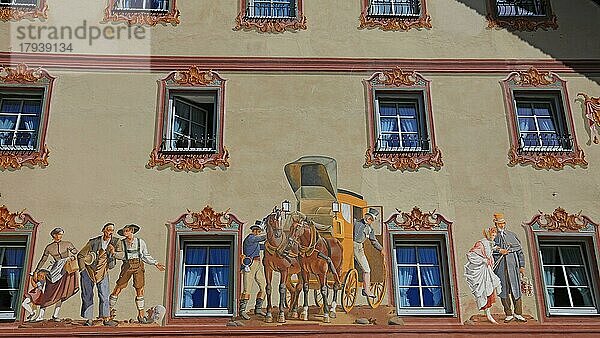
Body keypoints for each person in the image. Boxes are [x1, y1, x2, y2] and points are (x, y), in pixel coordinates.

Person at [109, 224, 165, 324]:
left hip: (138, 265)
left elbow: (145, 255)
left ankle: (141, 315)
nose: (125, 233)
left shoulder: (140, 242)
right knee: (118, 288)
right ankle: (108, 313)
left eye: (126, 231)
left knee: (140, 290)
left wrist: (156, 263)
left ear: (132, 231)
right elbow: (120, 256)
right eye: (124, 231)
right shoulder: (121, 243)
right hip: (127, 265)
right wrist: (114, 253)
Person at [33, 227, 79, 321]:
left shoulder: (67, 244)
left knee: (62, 293)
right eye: (58, 234)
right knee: (48, 292)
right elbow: (43, 259)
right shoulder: (49, 247)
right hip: (55, 270)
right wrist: (36, 270)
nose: (60, 236)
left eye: (61, 234)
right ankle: (40, 315)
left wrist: (73, 255)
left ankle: (55, 315)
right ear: (54, 235)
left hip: (66, 269)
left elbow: (75, 252)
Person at [77, 223, 119, 327]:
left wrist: (113, 252)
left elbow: (119, 257)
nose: (110, 232)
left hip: (103, 271)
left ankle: (105, 318)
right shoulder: (93, 242)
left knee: (104, 296)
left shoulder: (115, 242)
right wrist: (83, 270)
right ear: (103, 230)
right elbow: (81, 255)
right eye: (108, 230)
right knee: (87, 295)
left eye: (112, 230)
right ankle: (89, 319)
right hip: (89, 271)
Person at [492, 213, 527, 323]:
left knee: (516, 290)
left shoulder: (512, 235)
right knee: (503, 291)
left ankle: (518, 313)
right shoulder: (493, 235)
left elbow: (520, 252)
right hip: (500, 269)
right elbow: (488, 248)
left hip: (513, 268)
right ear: (495, 224)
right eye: (499, 223)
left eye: (503, 223)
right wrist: (499, 250)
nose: (501, 225)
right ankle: (508, 313)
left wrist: (521, 266)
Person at [465, 227, 502, 324]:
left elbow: (490, 249)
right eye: (493, 235)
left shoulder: (489, 243)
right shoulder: (481, 243)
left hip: (487, 269)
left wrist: (498, 249)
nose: (494, 237)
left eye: (495, 235)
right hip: (480, 270)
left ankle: (489, 314)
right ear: (488, 234)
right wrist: (483, 260)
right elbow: (471, 255)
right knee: (484, 291)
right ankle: (488, 314)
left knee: (493, 284)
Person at [353, 208, 383, 298]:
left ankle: (366, 290)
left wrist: (381, 249)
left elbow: (374, 241)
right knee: (366, 269)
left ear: (372, 221)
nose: (368, 219)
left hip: (359, 248)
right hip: (352, 245)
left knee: (367, 270)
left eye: (371, 219)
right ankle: (366, 290)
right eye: (368, 217)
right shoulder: (356, 222)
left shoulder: (370, 230)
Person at [239, 220, 267, 320]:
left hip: (258, 264)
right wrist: (271, 234)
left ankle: (258, 308)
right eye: (258, 231)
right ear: (254, 231)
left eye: (260, 231)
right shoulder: (250, 238)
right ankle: (242, 310)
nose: (259, 233)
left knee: (263, 287)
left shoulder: (255, 241)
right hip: (250, 265)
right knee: (247, 289)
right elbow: (262, 238)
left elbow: (262, 246)